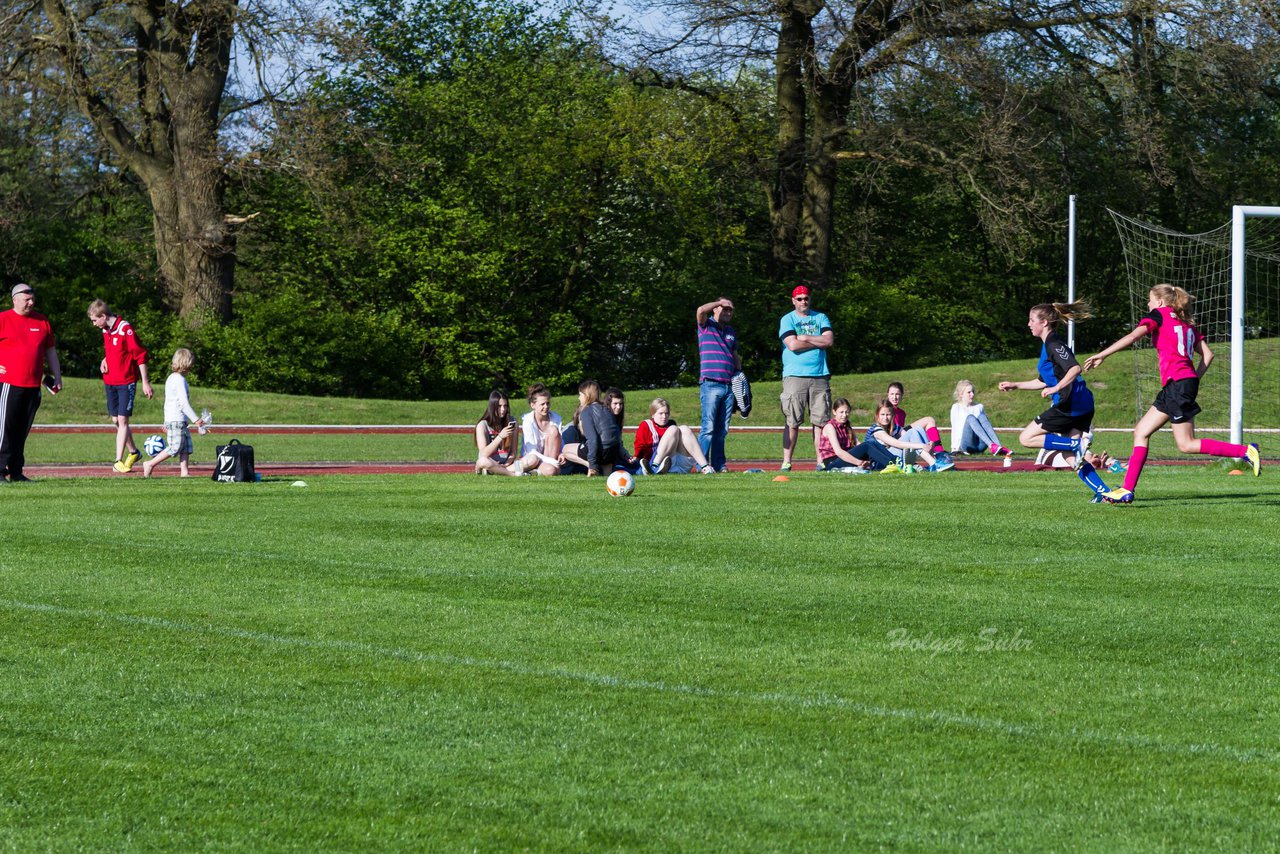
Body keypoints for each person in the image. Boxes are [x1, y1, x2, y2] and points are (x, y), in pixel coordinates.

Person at [1083, 284, 1261, 503]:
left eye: (1149, 300)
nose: (1148, 304)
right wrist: (1192, 378)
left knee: (1186, 443)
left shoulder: (1159, 315)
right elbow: (1208, 355)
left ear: (1159, 302)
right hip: (1180, 385)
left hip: (1178, 385)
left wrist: (1103, 354)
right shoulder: (1185, 322)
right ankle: (1126, 490)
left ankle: (1246, 451)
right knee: (1141, 431)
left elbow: (1132, 337)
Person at [999, 300, 1112, 501]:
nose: (1028, 324)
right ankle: (1103, 492)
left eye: (1031, 320)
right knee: (1071, 457)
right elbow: (1043, 381)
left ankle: (1074, 445)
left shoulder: (1053, 344)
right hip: (1079, 403)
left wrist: (1057, 388)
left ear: (1044, 323)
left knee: (1026, 438)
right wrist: (1016, 384)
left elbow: (1074, 368)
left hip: (1071, 404)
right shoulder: (1047, 345)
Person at [0, 283, 62, 482]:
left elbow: (50, 351)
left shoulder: (42, 321)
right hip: (9, 384)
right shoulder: (3, 319)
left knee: (22, 431)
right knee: (4, 430)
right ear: (15, 299)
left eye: (32, 299)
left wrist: (57, 376)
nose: (31, 302)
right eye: (27, 299)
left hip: (33, 385)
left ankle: (16, 472)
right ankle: (0, 470)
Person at [87, 299, 154, 473]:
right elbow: (114, 350)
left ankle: (117, 460)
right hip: (110, 381)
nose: (94, 324)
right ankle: (134, 452)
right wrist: (105, 359)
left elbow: (140, 355)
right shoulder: (105, 330)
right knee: (116, 420)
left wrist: (145, 382)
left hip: (126, 381)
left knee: (123, 420)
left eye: (95, 320)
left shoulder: (125, 329)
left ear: (103, 316)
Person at [778, 284, 833, 471]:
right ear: (793, 301)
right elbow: (792, 345)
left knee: (820, 421)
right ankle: (786, 461)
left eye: (806, 298)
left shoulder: (821, 317)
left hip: (819, 375)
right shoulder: (787, 319)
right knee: (792, 421)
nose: (803, 301)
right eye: (799, 298)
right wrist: (816, 340)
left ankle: (820, 461)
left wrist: (805, 338)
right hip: (794, 376)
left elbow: (828, 340)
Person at [142, 348, 205, 477]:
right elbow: (183, 403)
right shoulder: (179, 380)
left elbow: (168, 402)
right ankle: (150, 463)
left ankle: (184, 472)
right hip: (176, 420)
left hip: (178, 420)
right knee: (175, 447)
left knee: (186, 447)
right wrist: (196, 419)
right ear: (186, 363)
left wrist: (165, 421)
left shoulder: (172, 378)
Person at [695, 296, 739, 473]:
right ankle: (702, 464)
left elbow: (735, 356)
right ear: (715, 309)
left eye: (730, 309)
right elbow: (700, 310)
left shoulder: (730, 331)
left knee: (722, 429)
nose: (727, 311)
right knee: (709, 427)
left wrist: (740, 376)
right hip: (710, 384)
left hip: (728, 385)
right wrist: (719, 302)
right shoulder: (706, 326)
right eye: (724, 308)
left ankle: (719, 464)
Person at [864, 398, 953, 472]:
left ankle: (934, 459)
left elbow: (912, 436)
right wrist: (922, 445)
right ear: (877, 415)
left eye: (888, 414)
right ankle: (934, 463)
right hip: (880, 464)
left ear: (893, 415)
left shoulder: (895, 428)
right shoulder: (875, 429)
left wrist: (929, 444)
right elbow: (896, 443)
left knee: (917, 429)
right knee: (912, 432)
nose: (885, 417)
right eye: (882, 414)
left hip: (893, 458)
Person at [634, 398, 715, 474]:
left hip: (677, 462)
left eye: (666, 413)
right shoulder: (646, 425)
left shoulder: (671, 424)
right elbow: (639, 446)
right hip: (659, 461)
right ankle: (654, 467)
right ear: (653, 414)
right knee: (673, 429)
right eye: (660, 413)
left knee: (684, 428)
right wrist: (636, 459)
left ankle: (705, 467)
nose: (664, 417)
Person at [564, 380, 629, 476]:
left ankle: (591, 466)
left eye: (580, 395)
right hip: (613, 451)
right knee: (607, 478)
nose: (579, 398)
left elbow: (592, 439)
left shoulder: (586, 411)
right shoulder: (607, 408)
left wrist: (592, 464)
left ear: (587, 395)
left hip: (600, 451)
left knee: (565, 449)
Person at [950, 380, 1013, 461]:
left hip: (980, 445)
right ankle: (992, 446)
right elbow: (955, 428)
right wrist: (954, 448)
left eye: (973, 392)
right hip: (966, 446)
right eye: (969, 392)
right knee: (970, 417)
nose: (972, 394)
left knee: (982, 417)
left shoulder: (979, 406)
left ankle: (998, 447)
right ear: (961, 394)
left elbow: (985, 425)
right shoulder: (956, 407)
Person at [885, 382, 948, 457]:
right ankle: (937, 452)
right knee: (923, 425)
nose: (894, 397)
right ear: (888, 395)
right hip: (892, 443)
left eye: (897, 394)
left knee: (929, 421)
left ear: (902, 395)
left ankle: (938, 450)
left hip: (901, 435)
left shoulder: (902, 413)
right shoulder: (885, 410)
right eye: (892, 394)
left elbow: (900, 431)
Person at [817, 398, 879, 472]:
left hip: (845, 457)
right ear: (834, 412)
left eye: (847, 412)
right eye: (841, 412)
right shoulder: (830, 426)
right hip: (833, 461)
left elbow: (857, 444)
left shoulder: (847, 426)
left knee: (872, 443)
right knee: (867, 445)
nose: (844, 415)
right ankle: (890, 463)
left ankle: (891, 463)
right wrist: (859, 462)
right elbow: (838, 452)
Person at [473, 390, 523, 476]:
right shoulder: (482, 425)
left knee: (531, 459)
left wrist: (507, 463)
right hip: (490, 462)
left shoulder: (512, 421)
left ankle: (496, 471)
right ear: (492, 406)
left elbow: (513, 452)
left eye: (505, 406)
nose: (503, 409)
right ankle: (512, 474)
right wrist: (500, 436)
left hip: (507, 464)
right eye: (499, 406)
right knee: (482, 461)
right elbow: (484, 453)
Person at [517, 383, 562, 476]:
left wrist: (562, 453)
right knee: (551, 471)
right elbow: (531, 451)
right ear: (532, 405)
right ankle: (524, 469)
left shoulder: (556, 418)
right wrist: (551, 461)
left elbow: (561, 440)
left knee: (553, 430)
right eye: (542, 404)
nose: (546, 407)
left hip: (549, 457)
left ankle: (535, 472)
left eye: (548, 403)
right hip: (532, 458)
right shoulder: (527, 421)